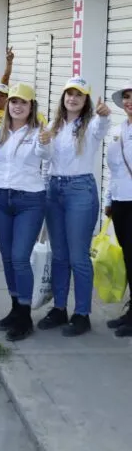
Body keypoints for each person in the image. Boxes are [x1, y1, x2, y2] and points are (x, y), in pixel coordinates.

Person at [38, 78, 111, 336]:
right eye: (69, 94)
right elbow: (47, 159)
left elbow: (102, 128)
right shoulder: (55, 125)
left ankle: (82, 314)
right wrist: (44, 143)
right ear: (63, 98)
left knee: (78, 256)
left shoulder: (90, 124)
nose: (72, 98)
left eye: (78, 95)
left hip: (80, 190)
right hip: (54, 190)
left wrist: (104, 116)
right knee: (59, 255)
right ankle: (59, 308)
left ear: (86, 100)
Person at [0, 83, 51, 342]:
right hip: (0, 200)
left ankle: (24, 314)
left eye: (24, 102)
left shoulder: (39, 133)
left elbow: (46, 154)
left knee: (20, 257)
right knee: (8, 258)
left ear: (32, 108)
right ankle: (14, 307)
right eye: (14, 101)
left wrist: (44, 142)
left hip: (29, 200)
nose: (17, 106)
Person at [105, 80, 132, 337]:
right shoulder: (118, 129)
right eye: (126, 96)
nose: (129, 101)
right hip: (121, 202)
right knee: (128, 258)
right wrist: (108, 200)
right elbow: (114, 169)